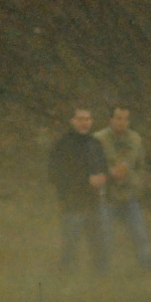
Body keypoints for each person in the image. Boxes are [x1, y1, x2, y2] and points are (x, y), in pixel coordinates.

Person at [93, 106, 151, 272]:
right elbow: (90, 166)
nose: (122, 122)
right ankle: (101, 276)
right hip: (106, 197)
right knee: (104, 239)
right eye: (118, 118)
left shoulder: (136, 139)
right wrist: (109, 173)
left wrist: (133, 181)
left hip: (129, 197)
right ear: (110, 120)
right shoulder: (98, 139)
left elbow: (141, 167)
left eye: (125, 119)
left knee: (140, 236)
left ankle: (149, 273)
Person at [48, 108, 110, 274]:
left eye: (88, 119)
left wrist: (104, 178)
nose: (85, 122)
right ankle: (66, 280)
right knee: (70, 246)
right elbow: (55, 175)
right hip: (72, 204)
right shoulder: (62, 145)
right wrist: (86, 181)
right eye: (80, 119)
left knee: (99, 245)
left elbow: (103, 167)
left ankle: (101, 280)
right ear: (72, 121)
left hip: (94, 202)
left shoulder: (95, 144)